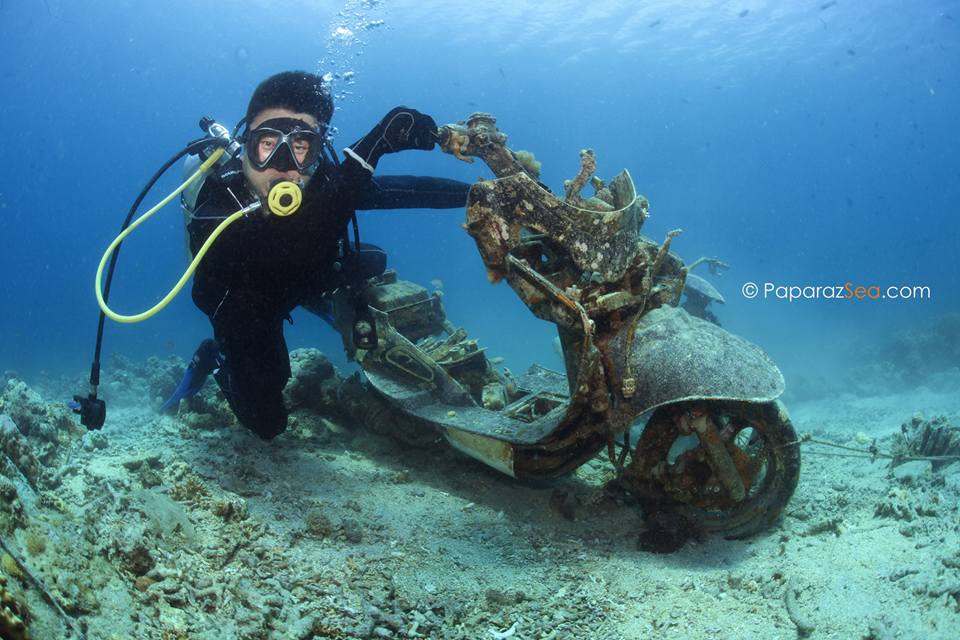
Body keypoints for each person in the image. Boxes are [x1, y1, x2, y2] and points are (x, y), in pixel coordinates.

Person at [174, 70, 470, 440]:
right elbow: (258, 252)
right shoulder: (217, 200)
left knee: (369, 261)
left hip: (304, 276)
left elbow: (400, 190)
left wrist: (482, 194)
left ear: (316, 150)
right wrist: (369, 151)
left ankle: (335, 309)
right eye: (268, 144)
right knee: (267, 422)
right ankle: (215, 359)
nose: (283, 167)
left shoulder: (322, 181)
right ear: (246, 143)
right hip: (247, 301)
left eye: (300, 146)